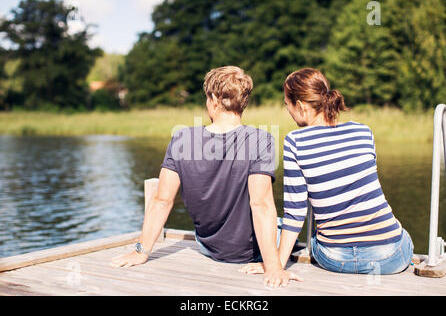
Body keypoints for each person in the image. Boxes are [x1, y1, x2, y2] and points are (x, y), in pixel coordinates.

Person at [111, 66, 302, 288]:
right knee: (285, 227)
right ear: (244, 102)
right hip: (249, 251)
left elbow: (162, 201)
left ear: (212, 99)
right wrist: (274, 267)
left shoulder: (182, 138)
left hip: (209, 247)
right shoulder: (261, 139)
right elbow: (261, 204)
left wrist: (141, 251)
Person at [241, 67, 414, 276]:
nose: (287, 110)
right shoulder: (363, 131)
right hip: (390, 258)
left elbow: (295, 213)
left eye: (287, 104)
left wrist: (275, 266)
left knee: (313, 235)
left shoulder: (295, 142)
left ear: (300, 106)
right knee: (400, 232)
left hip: (334, 259)